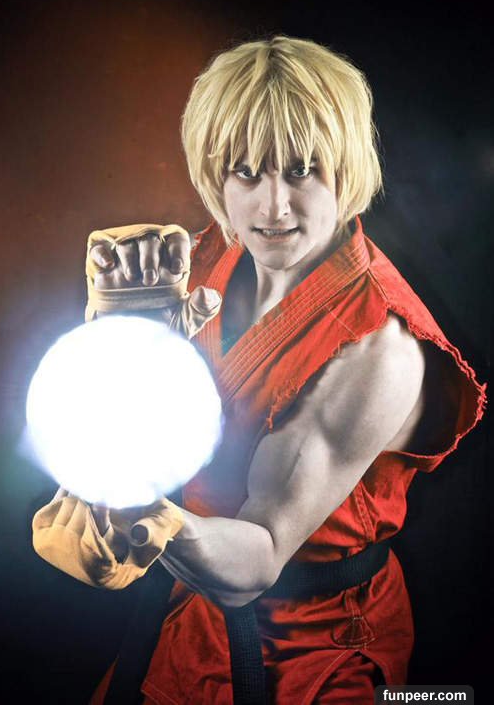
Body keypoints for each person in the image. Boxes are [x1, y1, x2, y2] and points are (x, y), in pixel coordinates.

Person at [32, 36, 486, 704]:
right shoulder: (202, 262)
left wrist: (141, 515)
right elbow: (137, 428)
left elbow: (260, 553)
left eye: (302, 170)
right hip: (189, 622)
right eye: (246, 173)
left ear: (345, 168)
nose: (273, 208)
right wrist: (120, 345)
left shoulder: (377, 352)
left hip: (318, 652)